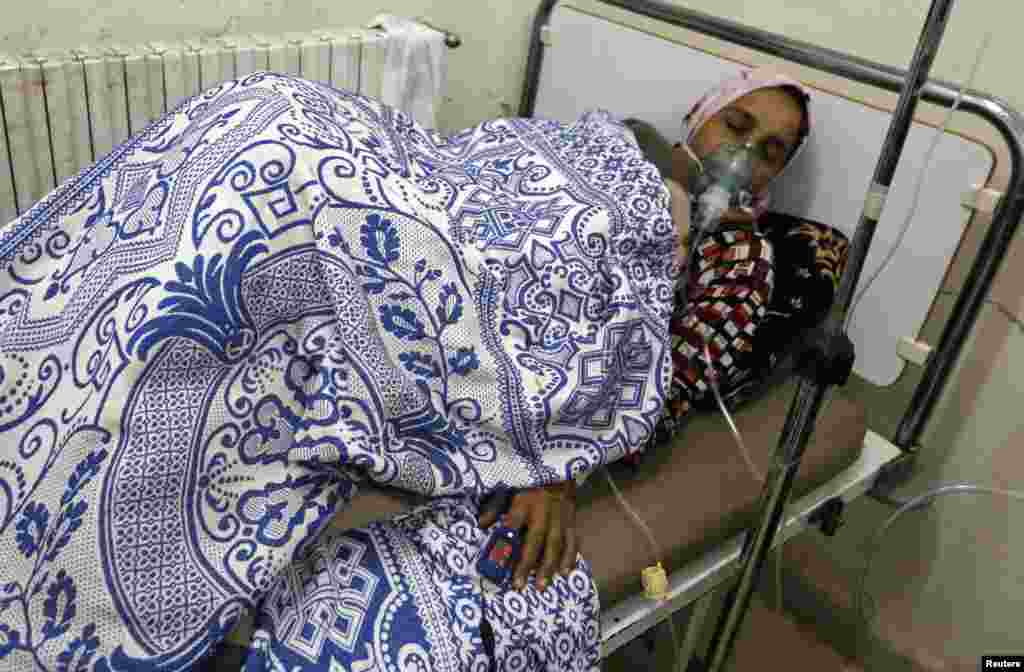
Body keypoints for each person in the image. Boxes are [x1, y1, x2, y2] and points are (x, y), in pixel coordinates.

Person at [0, 68, 810, 672]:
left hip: (454, 301)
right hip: (443, 201)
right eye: (738, 124)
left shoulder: (739, 256)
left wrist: (557, 463)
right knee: (273, 124)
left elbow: (651, 372)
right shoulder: (621, 141)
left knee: (285, 253)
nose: (744, 153)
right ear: (703, 115)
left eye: (771, 150)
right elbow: (479, 171)